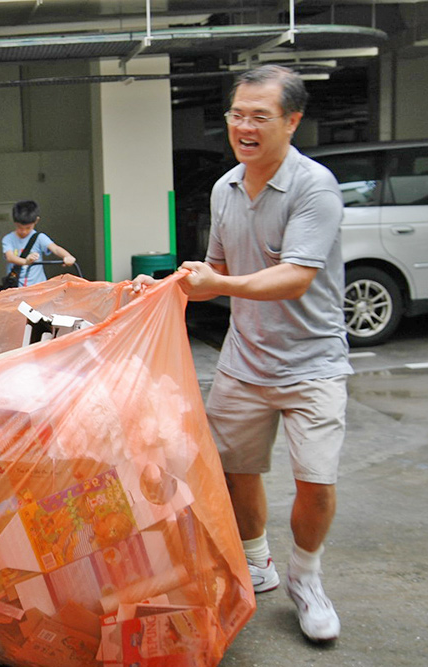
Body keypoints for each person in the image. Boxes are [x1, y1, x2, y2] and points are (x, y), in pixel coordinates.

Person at [133, 65, 351, 643]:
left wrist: (219, 285)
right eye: (237, 115)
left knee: (317, 480)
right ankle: (258, 562)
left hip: (312, 363)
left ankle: (307, 578)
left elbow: (295, 278)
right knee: (236, 471)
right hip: (244, 360)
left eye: (260, 116)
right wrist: (174, 285)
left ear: (292, 120)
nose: (245, 127)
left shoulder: (314, 187)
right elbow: (219, 268)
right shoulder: (225, 187)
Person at [1, 200, 75, 287]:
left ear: (36, 221)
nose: (24, 231)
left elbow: (55, 248)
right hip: (16, 289)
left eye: (28, 228)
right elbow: (10, 257)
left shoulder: (39, 238)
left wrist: (67, 256)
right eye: (19, 227)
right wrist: (26, 261)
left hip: (38, 288)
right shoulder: (8, 239)